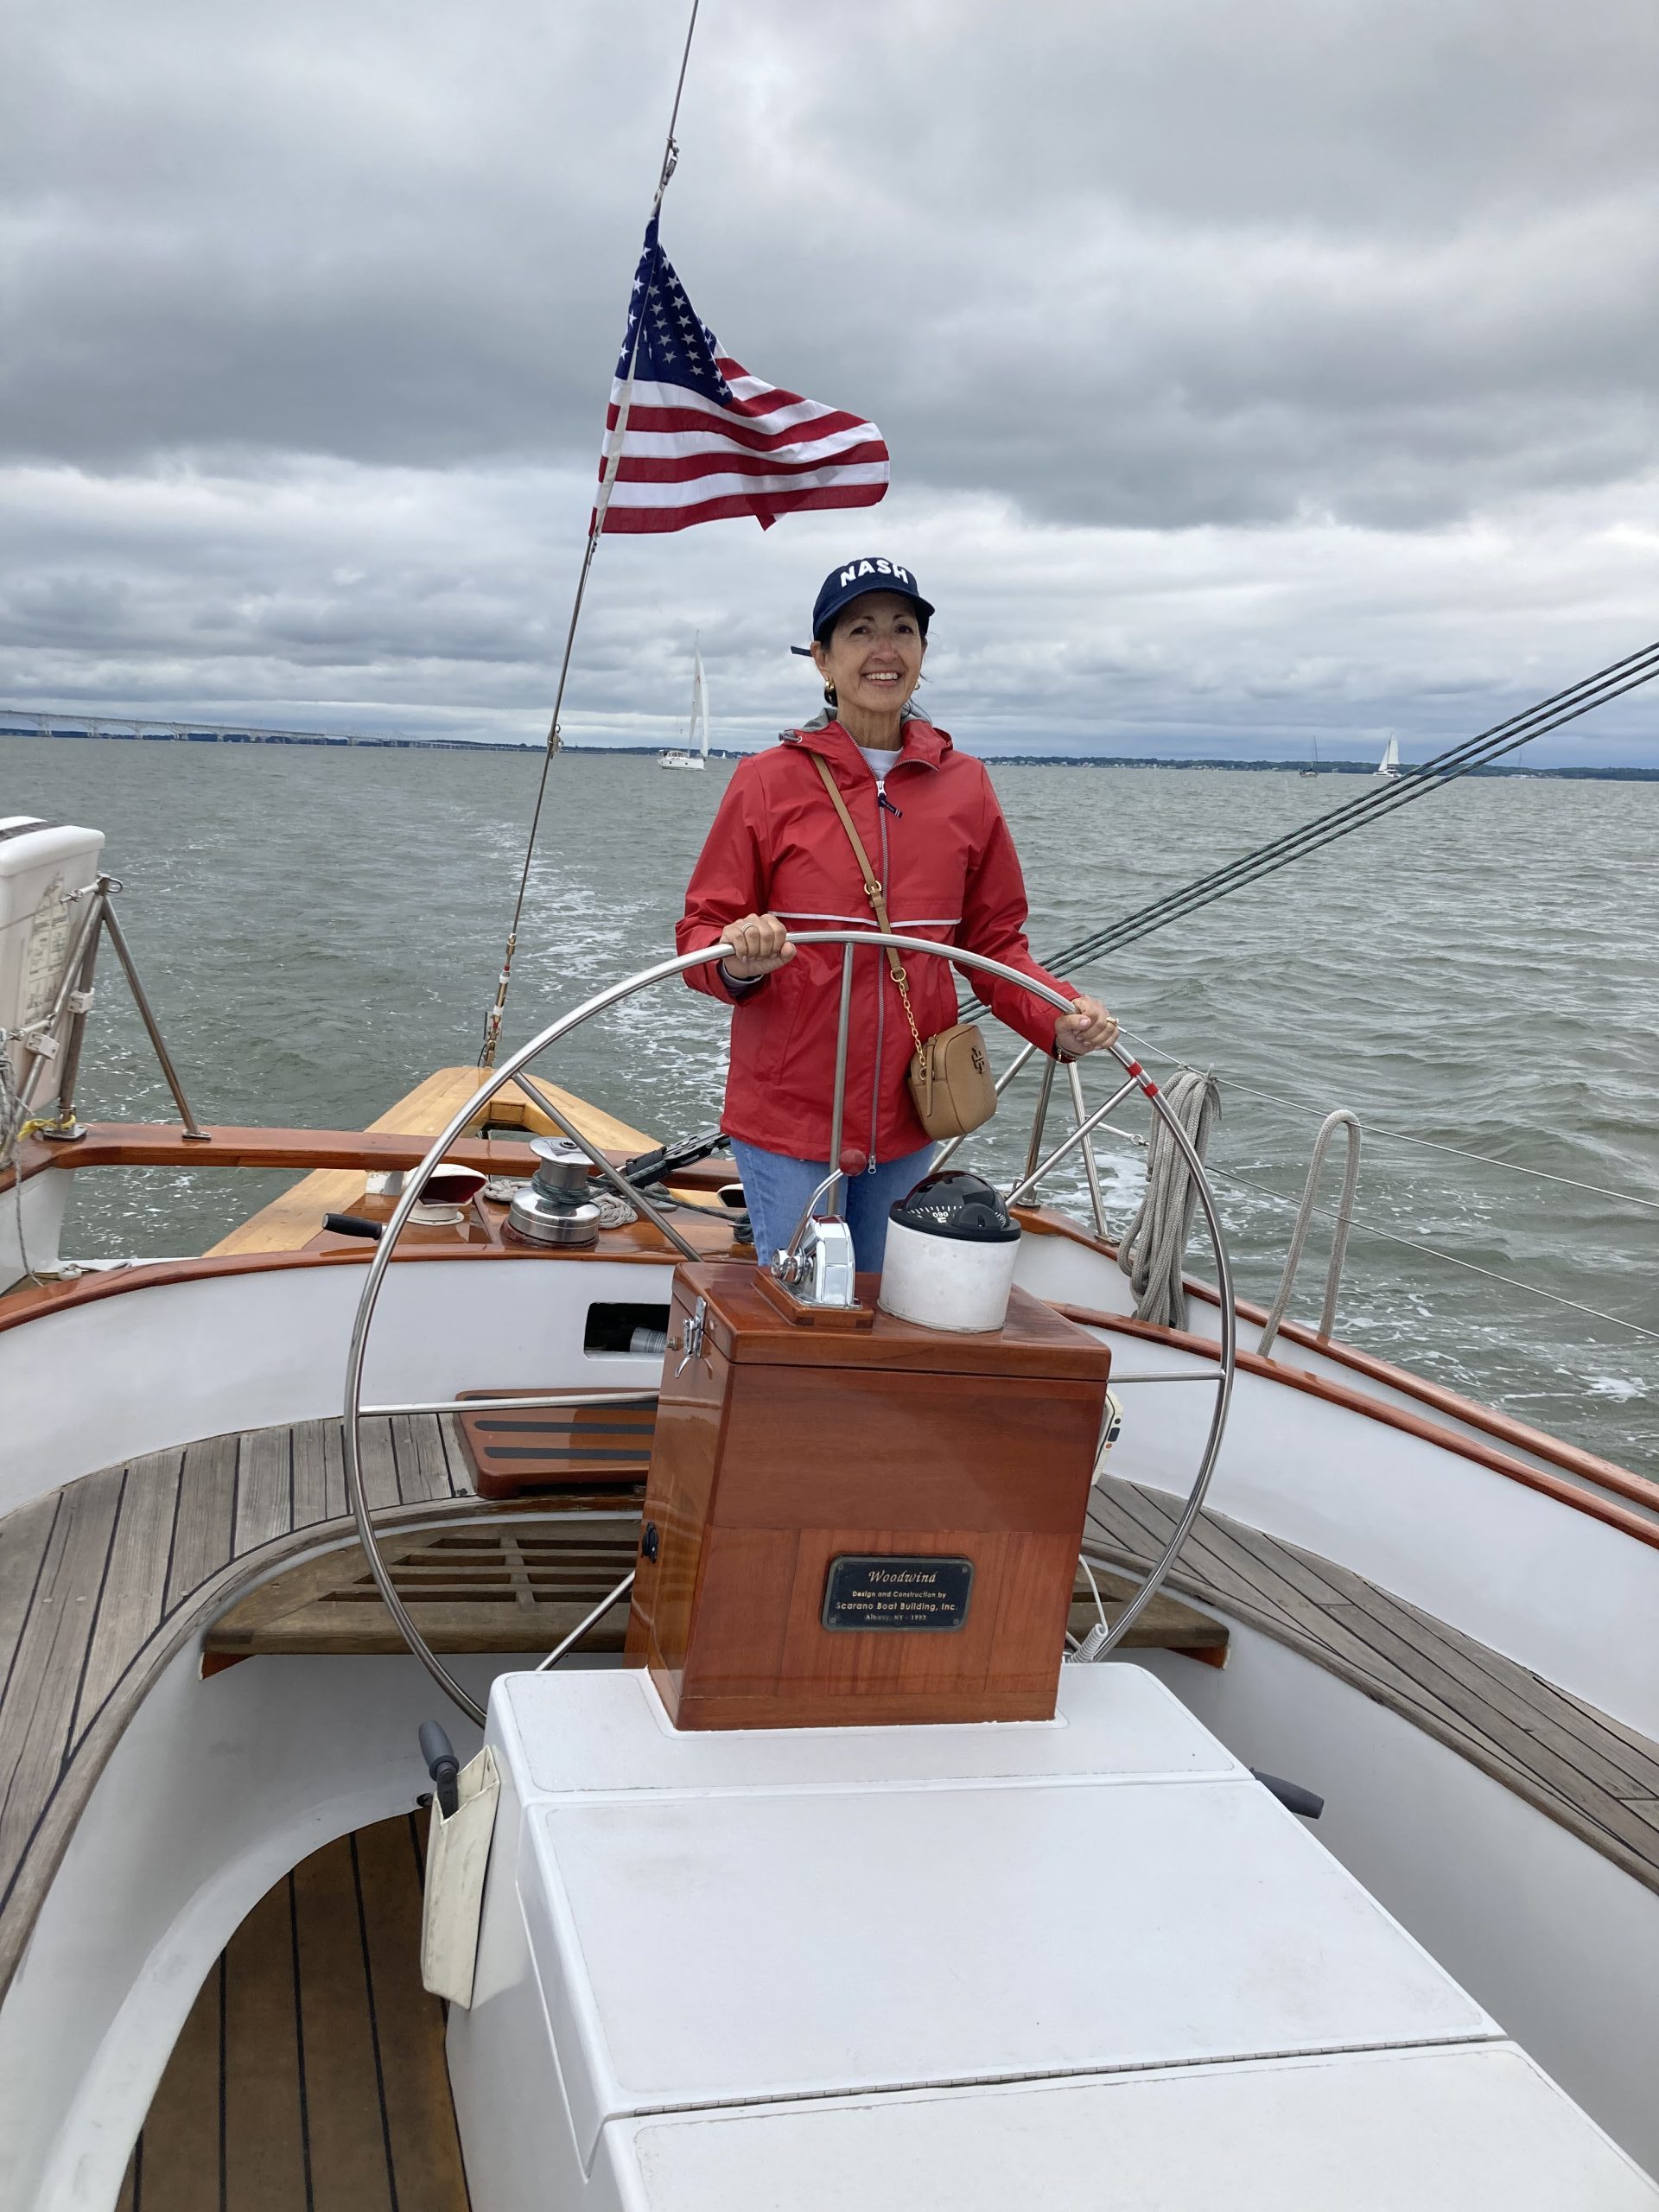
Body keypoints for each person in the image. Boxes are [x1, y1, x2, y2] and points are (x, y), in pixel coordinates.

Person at [677, 556, 1117, 1271]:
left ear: (922, 653)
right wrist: (740, 957)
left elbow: (995, 945)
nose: (884, 649)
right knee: (800, 1306)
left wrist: (1059, 1017)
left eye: (902, 630)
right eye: (860, 631)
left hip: (913, 1111)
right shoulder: (765, 781)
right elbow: (699, 934)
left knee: (886, 1301)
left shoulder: (967, 785)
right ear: (822, 659)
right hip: (788, 1113)